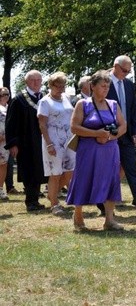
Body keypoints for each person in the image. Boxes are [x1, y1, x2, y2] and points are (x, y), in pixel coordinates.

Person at [67, 70, 127, 231]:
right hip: (88, 149)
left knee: (111, 180)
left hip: (110, 149)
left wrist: (110, 137)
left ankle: (109, 219)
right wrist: (96, 134)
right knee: (84, 179)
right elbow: (74, 127)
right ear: (92, 86)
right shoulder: (83, 104)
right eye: (102, 86)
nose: (106, 89)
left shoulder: (113, 104)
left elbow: (123, 126)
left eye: (108, 86)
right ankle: (78, 216)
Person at [4, 70, 46, 211]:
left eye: (38, 80)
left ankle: (36, 199)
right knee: (29, 169)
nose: (36, 83)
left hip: (40, 141)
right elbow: (11, 124)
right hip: (25, 142)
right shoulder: (19, 100)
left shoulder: (43, 98)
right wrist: (13, 144)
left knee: (39, 169)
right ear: (26, 82)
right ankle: (30, 201)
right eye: (33, 80)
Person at [106, 55, 136, 213]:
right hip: (108, 135)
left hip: (127, 135)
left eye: (129, 71)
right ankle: (105, 205)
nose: (126, 73)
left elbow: (133, 109)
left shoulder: (128, 84)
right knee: (108, 170)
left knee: (132, 170)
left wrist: (135, 132)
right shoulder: (103, 82)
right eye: (123, 70)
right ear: (115, 66)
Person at [37, 72, 76, 215]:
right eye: (57, 85)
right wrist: (48, 144)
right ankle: (54, 203)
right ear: (51, 85)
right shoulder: (45, 102)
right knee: (55, 173)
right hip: (53, 140)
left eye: (63, 85)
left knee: (70, 171)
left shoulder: (66, 98)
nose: (60, 88)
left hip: (69, 140)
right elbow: (42, 125)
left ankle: (52, 195)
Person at [0, 87, 10, 201]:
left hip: (5, 142)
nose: (6, 96)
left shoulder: (9, 108)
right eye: (3, 94)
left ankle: (1, 189)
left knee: (3, 165)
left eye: (7, 94)